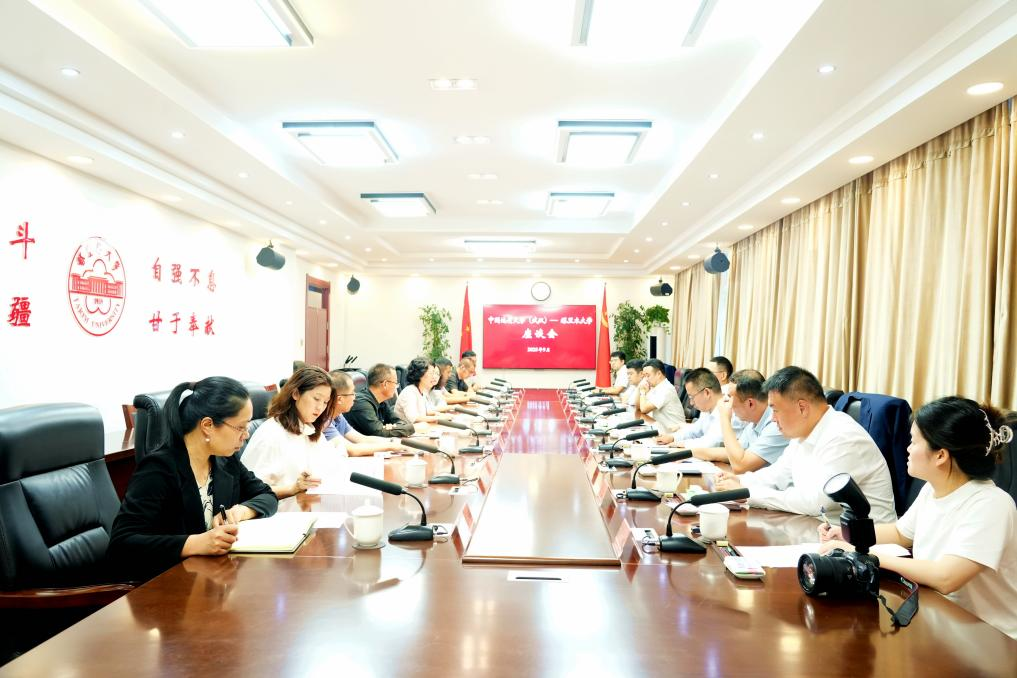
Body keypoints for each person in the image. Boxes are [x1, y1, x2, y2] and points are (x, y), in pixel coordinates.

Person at [819, 396, 1017, 639]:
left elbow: (945, 577)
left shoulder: (991, 504)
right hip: (943, 621)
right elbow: (901, 533)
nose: (908, 448)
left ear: (940, 455)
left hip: (993, 637)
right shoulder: (932, 490)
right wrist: (847, 534)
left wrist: (866, 556)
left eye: (914, 441)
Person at [109, 377, 278, 580]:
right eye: (240, 427)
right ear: (207, 425)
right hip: (165, 584)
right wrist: (196, 543)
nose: (246, 435)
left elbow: (267, 496)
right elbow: (122, 544)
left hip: (209, 577)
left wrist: (242, 511)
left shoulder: (224, 461)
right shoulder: (159, 468)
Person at [714, 366, 895, 523]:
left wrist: (747, 493)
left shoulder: (843, 437)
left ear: (802, 407)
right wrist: (741, 481)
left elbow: (815, 503)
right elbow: (778, 474)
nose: (773, 418)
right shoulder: (803, 433)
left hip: (868, 543)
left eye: (775, 410)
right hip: (820, 528)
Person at [241, 365, 340, 498]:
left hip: (307, 502)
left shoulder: (310, 429)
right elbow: (250, 491)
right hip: (279, 507)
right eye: (316, 399)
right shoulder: (271, 434)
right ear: (296, 393)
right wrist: (293, 488)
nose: (320, 407)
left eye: (325, 402)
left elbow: (329, 466)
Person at [686, 370, 789, 473]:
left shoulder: (776, 424)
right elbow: (734, 452)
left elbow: (740, 466)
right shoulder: (753, 422)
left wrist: (725, 418)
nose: (725, 401)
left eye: (730, 397)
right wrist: (691, 453)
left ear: (750, 403)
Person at [324, 370, 405, 456]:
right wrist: (390, 447)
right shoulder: (323, 421)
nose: (355, 397)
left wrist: (393, 441)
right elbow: (351, 450)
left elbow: (361, 439)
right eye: (352, 393)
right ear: (340, 399)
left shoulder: (338, 417)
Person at [656, 368, 724, 447]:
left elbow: (712, 443)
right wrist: (672, 437)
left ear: (707, 392)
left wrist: (681, 444)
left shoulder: (726, 411)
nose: (691, 403)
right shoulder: (707, 410)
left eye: (691, 397)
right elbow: (694, 431)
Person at [346, 363, 415, 438]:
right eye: (395, 383)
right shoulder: (361, 403)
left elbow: (400, 422)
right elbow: (378, 432)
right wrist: (409, 428)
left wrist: (390, 428)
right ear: (385, 384)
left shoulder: (382, 401)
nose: (396, 387)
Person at [637, 358, 686, 433]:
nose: (645, 379)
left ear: (659, 374)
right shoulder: (656, 387)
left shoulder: (666, 389)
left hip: (674, 433)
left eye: (648, 375)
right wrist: (640, 389)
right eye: (644, 376)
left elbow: (644, 409)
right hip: (662, 430)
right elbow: (638, 406)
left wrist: (642, 392)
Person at [395, 357, 440, 424]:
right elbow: (414, 418)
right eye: (431, 373)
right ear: (420, 374)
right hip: (406, 429)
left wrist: (440, 415)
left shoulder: (422, 391)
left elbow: (427, 411)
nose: (434, 377)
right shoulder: (409, 392)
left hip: (419, 428)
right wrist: (438, 418)